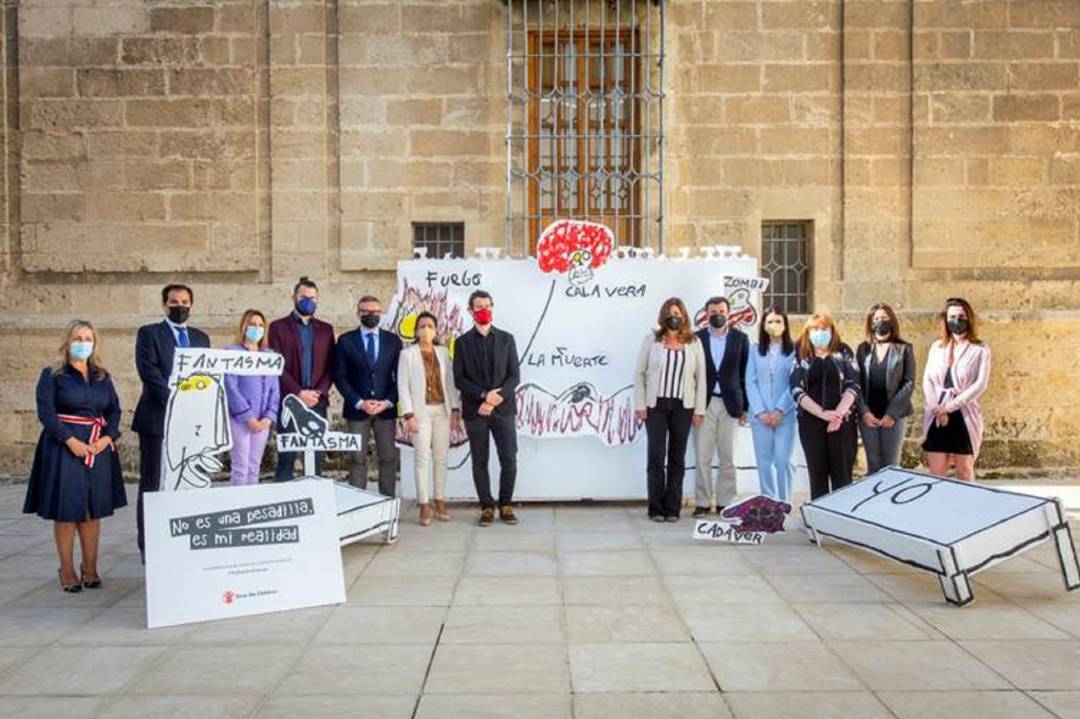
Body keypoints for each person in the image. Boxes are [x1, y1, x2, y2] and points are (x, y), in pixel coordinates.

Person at [25, 320, 127, 592]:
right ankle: (67, 570)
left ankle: (90, 568)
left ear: (94, 343)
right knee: (67, 510)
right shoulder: (53, 375)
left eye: (87, 338)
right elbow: (46, 413)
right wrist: (69, 440)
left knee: (93, 511)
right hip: (63, 448)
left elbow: (115, 411)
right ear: (67, 342)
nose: (83, 343)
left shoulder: (103, 376)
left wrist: (107, 439)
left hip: (97, 448)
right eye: (77, 338)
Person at [133, 284, 210, 559]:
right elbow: (149, 373)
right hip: (157, 419)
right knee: (153, 483)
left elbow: (207, 377)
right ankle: (150, 546)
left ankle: (183, 541)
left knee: (187, 481)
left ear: (192, 305)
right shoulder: (149, 334)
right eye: (174, 302)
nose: (180, 306)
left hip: (192, 425)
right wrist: (178, 402)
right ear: (164, 305)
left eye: (185, 302)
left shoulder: (201, 338)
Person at [634, 297, 707, 522]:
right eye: (668, 313)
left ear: (683, 315)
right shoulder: (651, 340)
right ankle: (656, 508)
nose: (673, 317)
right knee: (656, 457)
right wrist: (640, 405)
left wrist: (699, 409)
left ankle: (672, 508)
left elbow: (701, 377)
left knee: (677, 458)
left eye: (676, 312)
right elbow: (640, 374)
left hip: (683, 408)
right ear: (663, 316)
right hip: (655, 406)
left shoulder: (694, 342)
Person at [453, 290, 521, 526]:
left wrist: (495, 398)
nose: (484, 309)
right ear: (471, 311)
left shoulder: (507, 339)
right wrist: (483, 396)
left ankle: (505, 504)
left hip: (503, 410)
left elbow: (514, 376)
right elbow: (459, 379)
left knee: (509, 458)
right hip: (475, 412)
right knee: (480, 460)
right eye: (479, 306)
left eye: (487, 305)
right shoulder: (461, 343)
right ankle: (486, 506)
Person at [398, 312, 462, 525]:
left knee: (441, 458)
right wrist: (409, 415)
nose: (426, 330)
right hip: (420, 413)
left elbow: (450, 383)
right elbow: (403, 387)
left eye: (430, 326)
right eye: (422, 326)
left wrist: (455, 409)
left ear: (436, 331)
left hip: (442, 412)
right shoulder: (407, 355)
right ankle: (424, 505)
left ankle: (439, 500)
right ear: (416, 331)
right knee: (422, 458)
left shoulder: (443, 353)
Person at [335, 295, 402, 497]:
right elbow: (339, 375)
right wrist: (359, 402)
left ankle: (387, 501)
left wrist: (388, 402)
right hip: (357, 410)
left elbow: (400, 377)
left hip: (385, 410)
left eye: (375, 312)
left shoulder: (393, 341)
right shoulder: (346, 341)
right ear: (358, 313)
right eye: (365, 311)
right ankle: (358, 502)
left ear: (380, 314)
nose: (370, 315)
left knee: (388, 458)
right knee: (357, 458)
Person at [269, 277, 335, 481]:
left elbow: (332, 366)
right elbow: (276, 365)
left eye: (313, 298)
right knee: (286, 456)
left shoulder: (326, 329)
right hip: (290, 401)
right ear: (294, 297)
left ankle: (315, 501)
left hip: (317, 401)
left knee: (315, 456)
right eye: (304, 297)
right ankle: (281, 502)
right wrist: (298, 393)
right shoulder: (277, 327)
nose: (309, 301)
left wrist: (318, 392)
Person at [790, 313, 860, 500]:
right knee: (817, 473)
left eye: (824, 329)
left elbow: (853, 384)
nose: (819, 333)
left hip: (842, 422)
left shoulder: (844, 352)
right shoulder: (801, 354)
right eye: (815, 329)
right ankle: (819, 520)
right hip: (811, 422)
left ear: (832, 331)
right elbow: (796, 389)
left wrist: (837, 414)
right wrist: (823, 414)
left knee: (842, 474)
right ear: (808, 332)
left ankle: (841, 519)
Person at [921, 298, 991, 481]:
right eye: (952, 316)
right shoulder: (937, 347)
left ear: (969, 319)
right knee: (936, 471)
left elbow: (980, 384)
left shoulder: (980, 349)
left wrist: (949, 407)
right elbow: (927, 379)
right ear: (945, 320)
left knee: (964, 470)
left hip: (963, 414)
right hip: (936, 414)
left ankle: (968, 508)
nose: (957, 320)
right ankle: (939, 508)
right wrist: (936, 407)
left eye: (961, 316)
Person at [693, 296, 749, 517]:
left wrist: (746, 406)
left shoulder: (740, 339)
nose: (718, 314)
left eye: (722, 310)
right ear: (706, 314)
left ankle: (725, 501)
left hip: (731, 404)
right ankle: (703, 502)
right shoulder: (696, 339)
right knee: (702, 457)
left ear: (728, 313)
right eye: (713, 311)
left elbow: (745, 374)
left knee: (728, 457)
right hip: (703, 404)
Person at [745, 306, 798, 502]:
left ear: (785, 325)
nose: (774, 325)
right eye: (769, 322)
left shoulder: (795, 350)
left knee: (784, 461)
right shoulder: (754, 350)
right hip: (760, 417)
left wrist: (780, 409)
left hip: (785, 415)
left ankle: (784, 503)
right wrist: (760, 412)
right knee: (764, 462)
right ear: (763, 325)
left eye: (778, 321)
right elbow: (750, 381)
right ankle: (769, 502)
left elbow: (796, 382)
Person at [856, 304, 916, 474]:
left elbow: (909, 382)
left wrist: (892, 413)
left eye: (884, 318)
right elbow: (856, 383)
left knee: (891, 463)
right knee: (873, 461)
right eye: (876, 319)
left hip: (894, 415)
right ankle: (874, 500)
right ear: (870, 322)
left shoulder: (904, 348)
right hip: (868, 415)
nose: (879, 322)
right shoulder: (863, 349)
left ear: (891, 321)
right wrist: (864, 412)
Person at [224, 310, 280, 486]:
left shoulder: (269, 356)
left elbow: (275, 389)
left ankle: (251, 504)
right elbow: (230, 386)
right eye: (252, 324)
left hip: (263, 419)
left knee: (254, 466)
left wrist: (269, 417)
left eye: (261, 325)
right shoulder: (232, 352)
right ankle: (237, 505)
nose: (257, 328)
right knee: (240, 465)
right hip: (240, 418)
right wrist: (248, 416)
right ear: (244, 327)